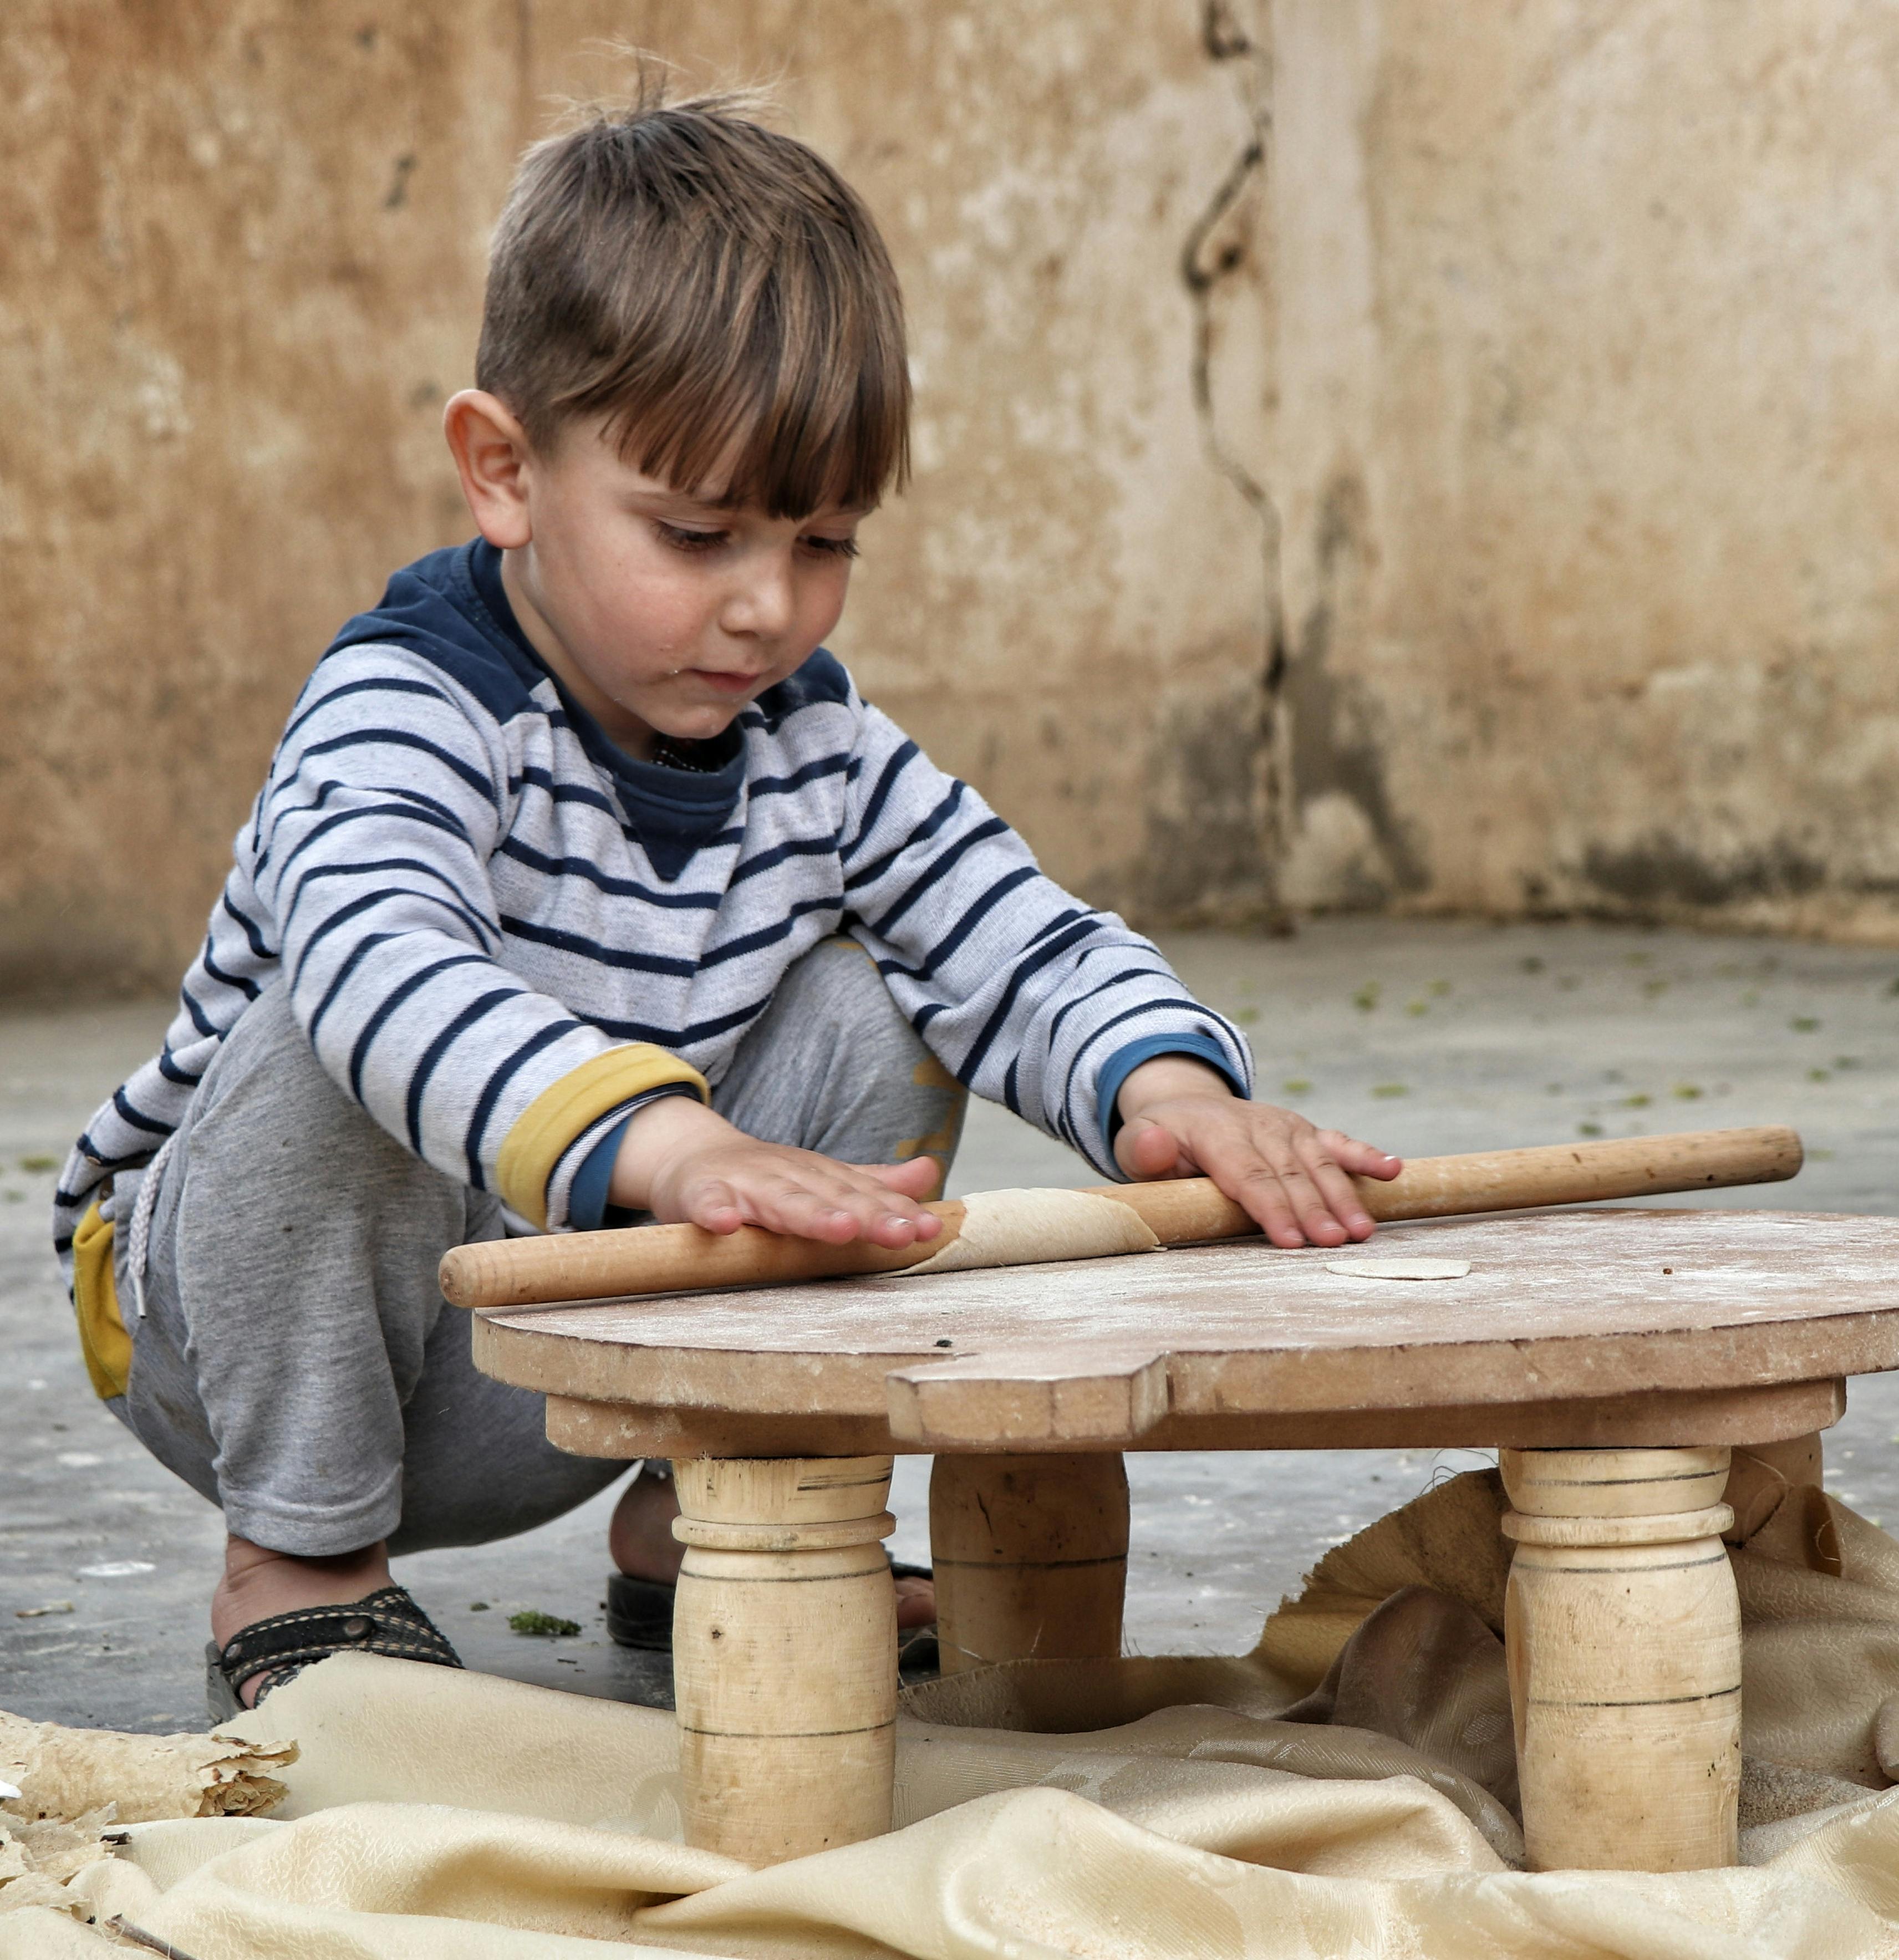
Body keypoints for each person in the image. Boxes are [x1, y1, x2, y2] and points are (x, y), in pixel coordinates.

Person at [54, 88, 1400, 1715]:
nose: (766, 605)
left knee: (889, 996)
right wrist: (676, 1149)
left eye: (823, 539)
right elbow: (377, 965)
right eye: (694, 534)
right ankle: (302, 1566)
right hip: (249, 1343)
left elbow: (1009, 925)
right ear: (504, 474)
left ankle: (718, 1495)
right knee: (327, 1047)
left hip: (574, 1334)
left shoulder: (814, 744)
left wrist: (1170, 1092)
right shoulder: (407, 704)